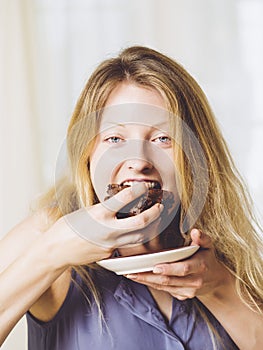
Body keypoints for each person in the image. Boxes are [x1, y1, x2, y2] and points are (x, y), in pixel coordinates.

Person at [0, 46, 262, 350]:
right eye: (115, 139)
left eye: (163, 138)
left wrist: (220, 287)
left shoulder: (221, 252)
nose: (138, 160)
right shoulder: (46, 232)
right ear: (88, 153)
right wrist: (51, 254)